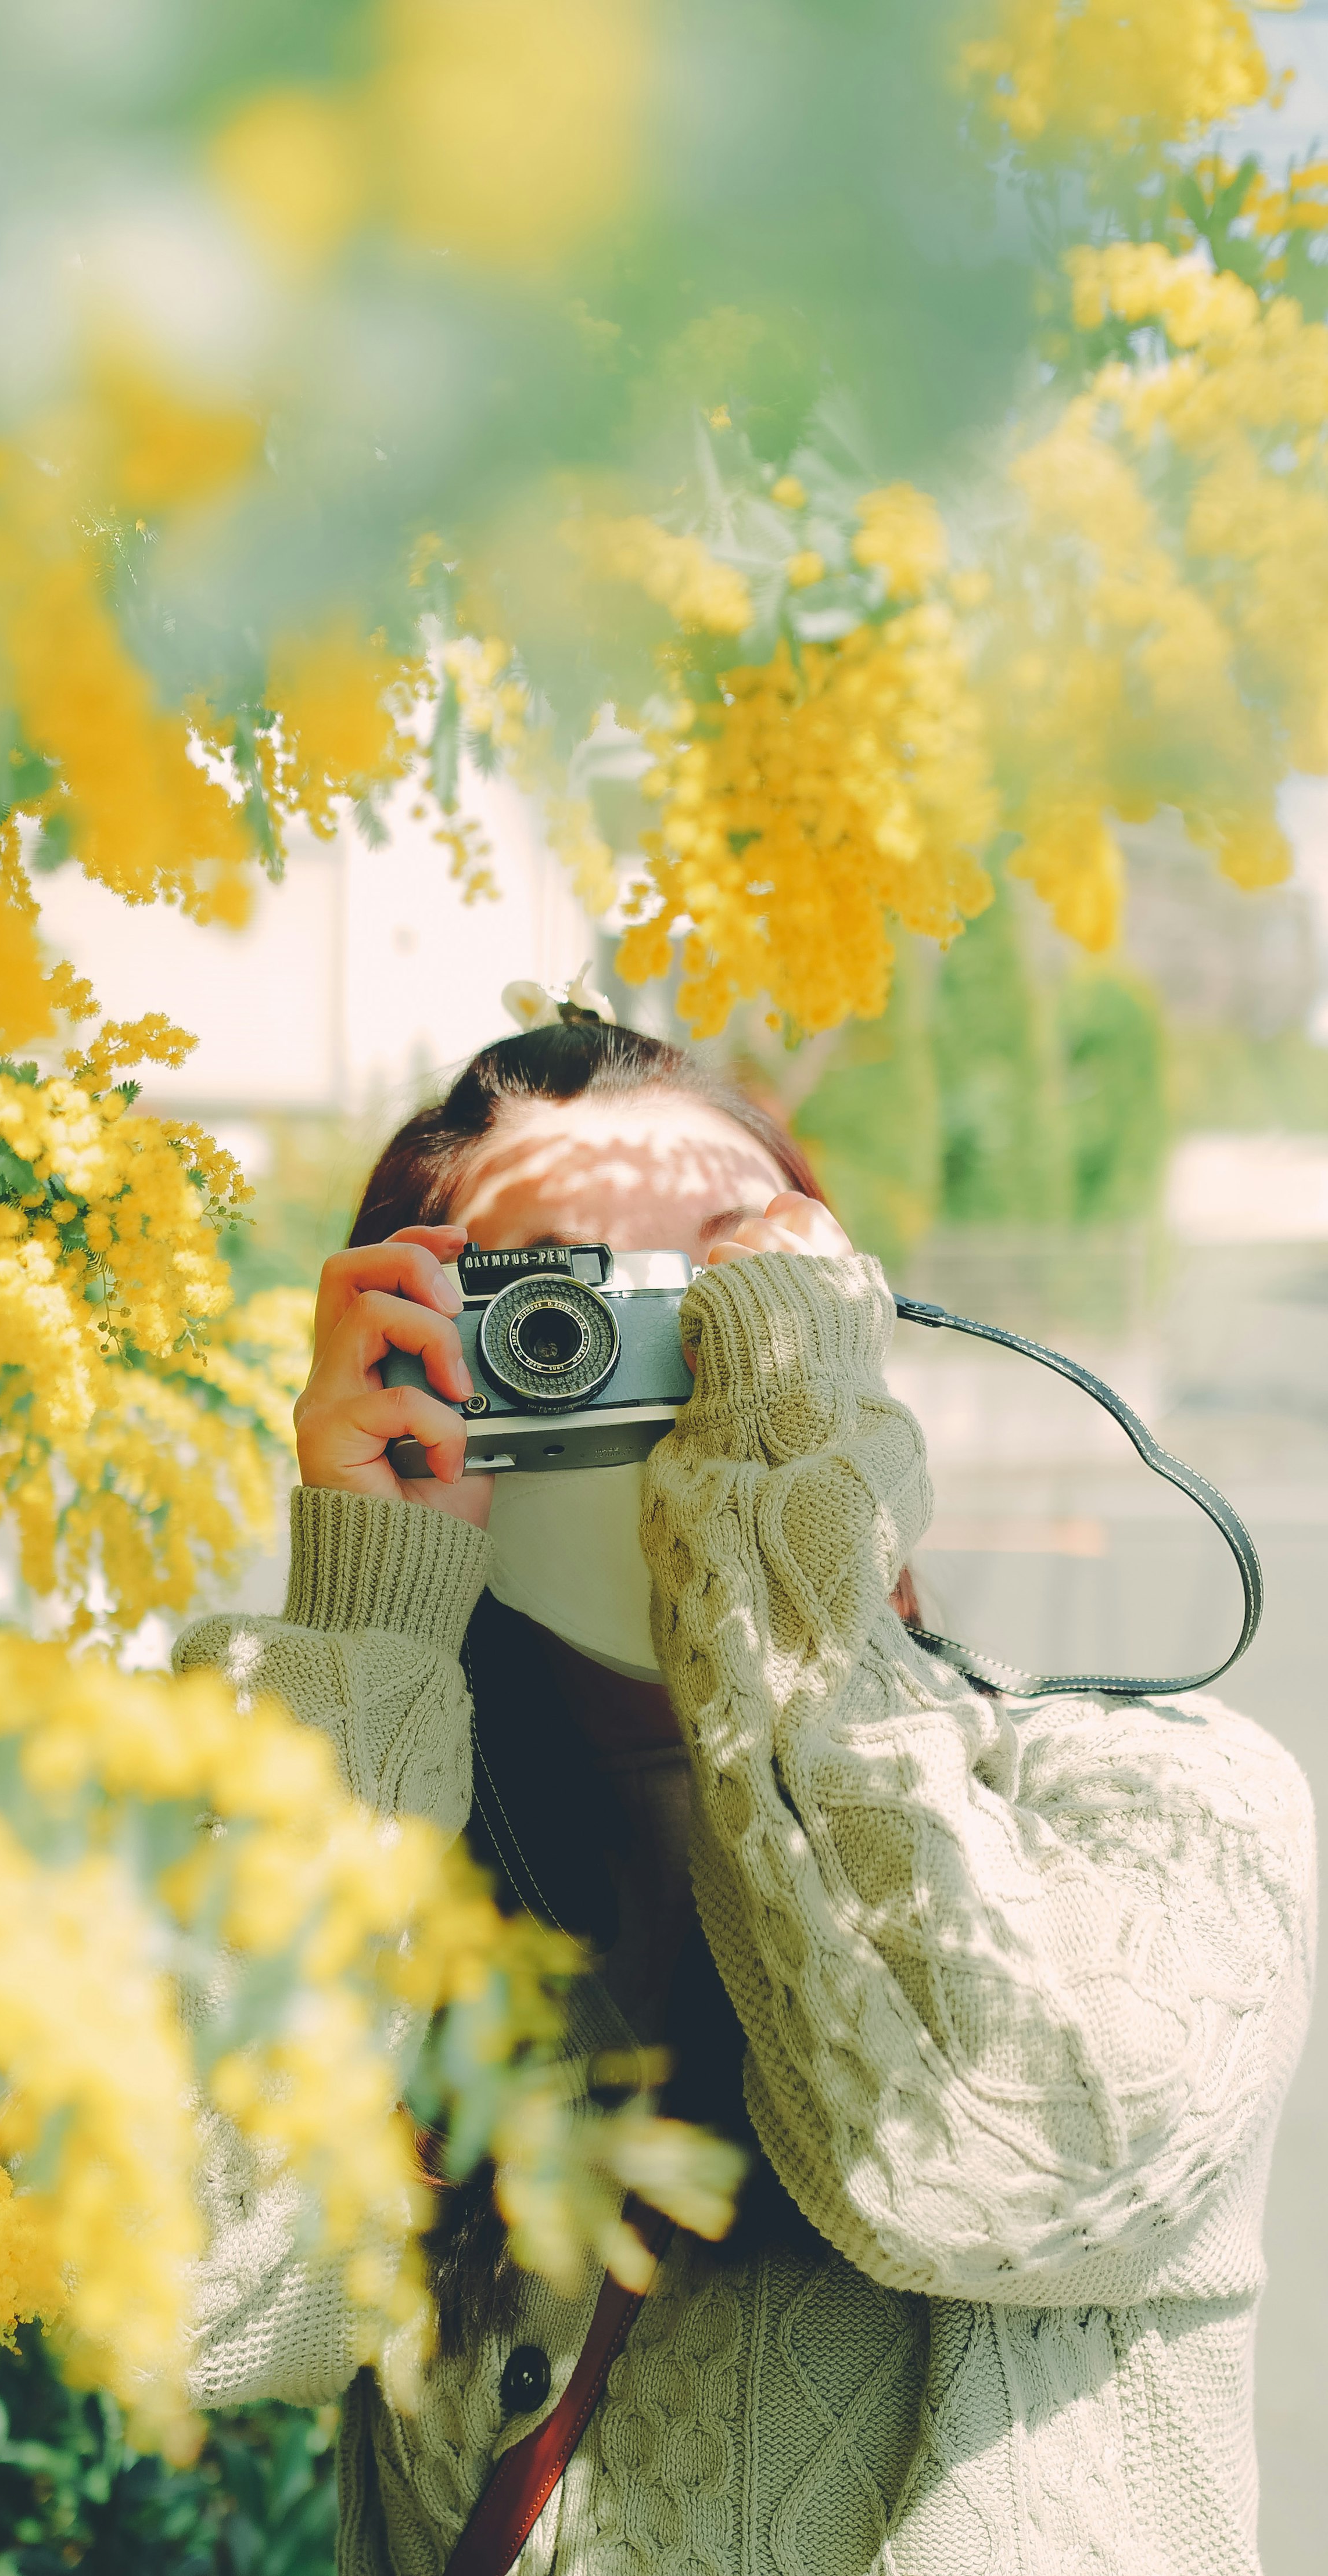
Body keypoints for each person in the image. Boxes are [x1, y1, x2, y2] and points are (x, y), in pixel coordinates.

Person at [178, 1003, 1316, 2576]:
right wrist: (370, 1620)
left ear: (844, 1348)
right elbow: (189, 2296)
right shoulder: (384, 1854)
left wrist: (785, 1534)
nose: (682, 1372)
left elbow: (965, 2146)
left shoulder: (1167, 1804)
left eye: (732, 1293)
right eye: (560, 1303)